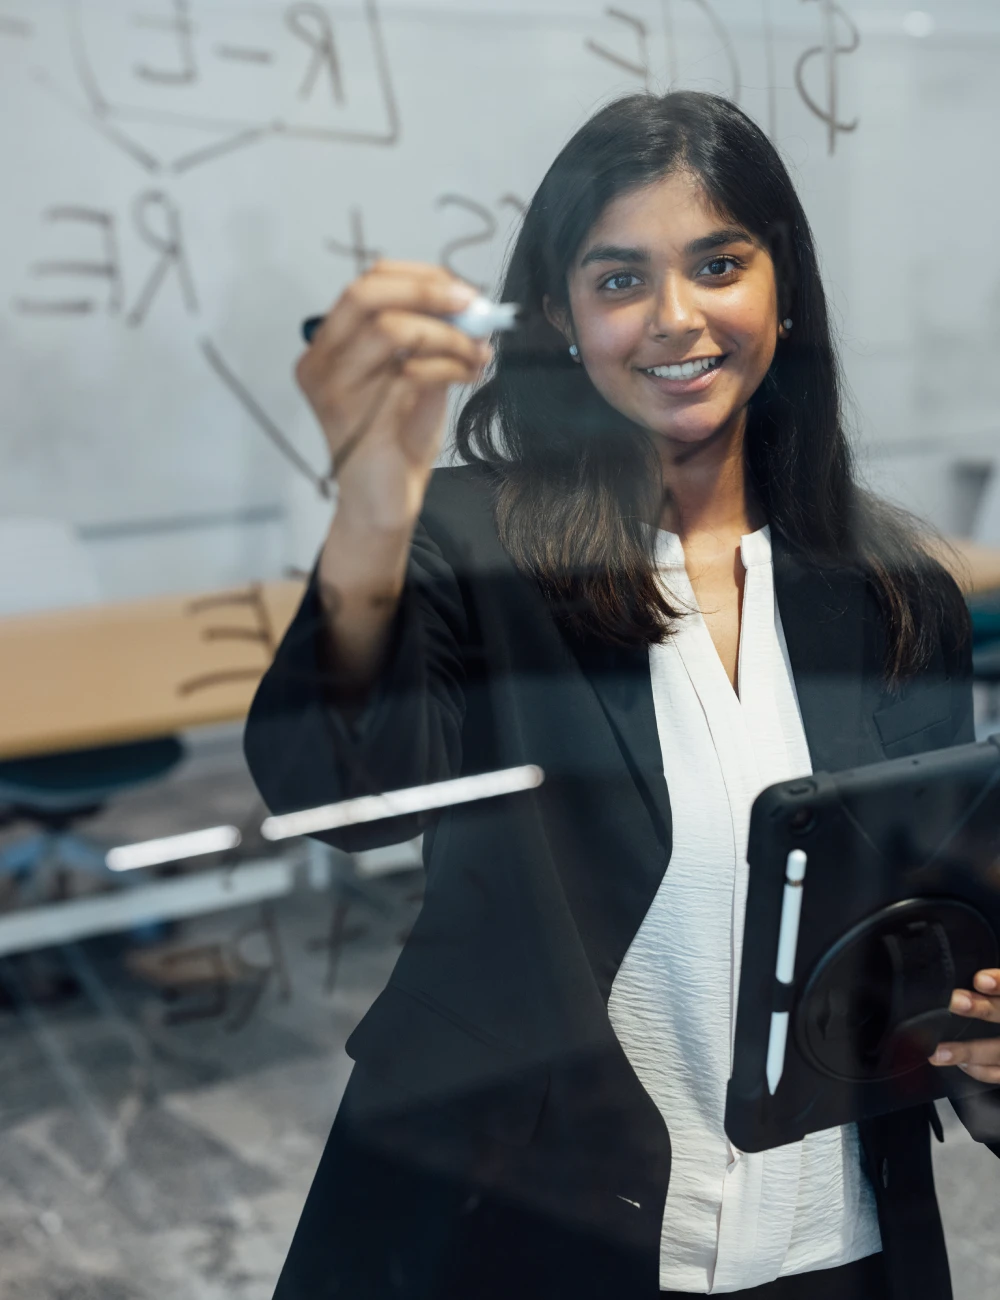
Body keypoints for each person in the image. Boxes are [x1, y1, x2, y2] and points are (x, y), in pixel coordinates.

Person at [244, 91, 1000, 1299]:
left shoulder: (893, 595)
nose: (676, 319)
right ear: (555, 314)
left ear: (781, 290)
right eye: (618, 280)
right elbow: (342, 802)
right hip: (519, 1227)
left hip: (828, 1242)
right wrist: (371, 503)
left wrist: (977, 1043)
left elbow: (914, 953)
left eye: (717, 264)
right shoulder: (467, 546)